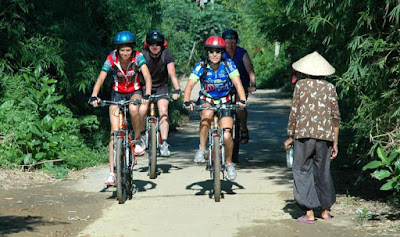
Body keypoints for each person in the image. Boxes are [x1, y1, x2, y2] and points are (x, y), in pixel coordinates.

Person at [283, 51, 340, 224]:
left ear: (306, 71)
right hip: (325, 137)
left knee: (302, 170)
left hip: (303, 135)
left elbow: (295, 113)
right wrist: (335, 142)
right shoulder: (330, 87)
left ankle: (308, 213)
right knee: (323, 170)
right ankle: (325, 211)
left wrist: (291, 136)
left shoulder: (300, 85)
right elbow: (335, 117)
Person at [89, 31, 152, 185]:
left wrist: (148, 94)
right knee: (114, 133)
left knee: (133, 108)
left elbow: (147, 75)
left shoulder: (138, 57)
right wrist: (94, 95)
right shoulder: (111, 58)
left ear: (132, 49)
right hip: (117, 94)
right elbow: (102, 76)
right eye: (122, 50)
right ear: (117, 50)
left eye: (128, 50)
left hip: (134, 92)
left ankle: (137, 139)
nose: (125, 53)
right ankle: (112, 173)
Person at [183, 36, 247, 181]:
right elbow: (190, 85)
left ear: (222, 53)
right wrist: (187, 101)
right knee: (206, 116)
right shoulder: (201, 66)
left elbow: (237, 84)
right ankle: (202, 148)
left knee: (227, 135)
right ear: (207, 53)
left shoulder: (228, 64)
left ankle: (229, 163)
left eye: (218, 52)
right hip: (207, 100)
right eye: (211, 52)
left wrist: (242, 100)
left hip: (225, 100)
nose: (214, 55)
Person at [139, 30, 181, 157]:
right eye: (152, 43)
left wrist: (177, 89)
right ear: (147, 44)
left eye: (158, 43)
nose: (155, 46)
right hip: (144, 87)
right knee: (142, 109)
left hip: (161, 87)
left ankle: (164, 142)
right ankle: (141, 136)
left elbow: (172, 73)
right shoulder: (142, 55)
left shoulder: (166, 54)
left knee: (163, 110)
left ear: (163, 44)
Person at [222, 29, 256, 144]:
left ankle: (243, 128)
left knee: (239, 106)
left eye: (233, 42)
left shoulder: (242, 53)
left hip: (241, 85)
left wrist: (253, 84)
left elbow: (250, 71)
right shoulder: (220, 55)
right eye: (227, 42)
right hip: (224, 86)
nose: (230, 45)